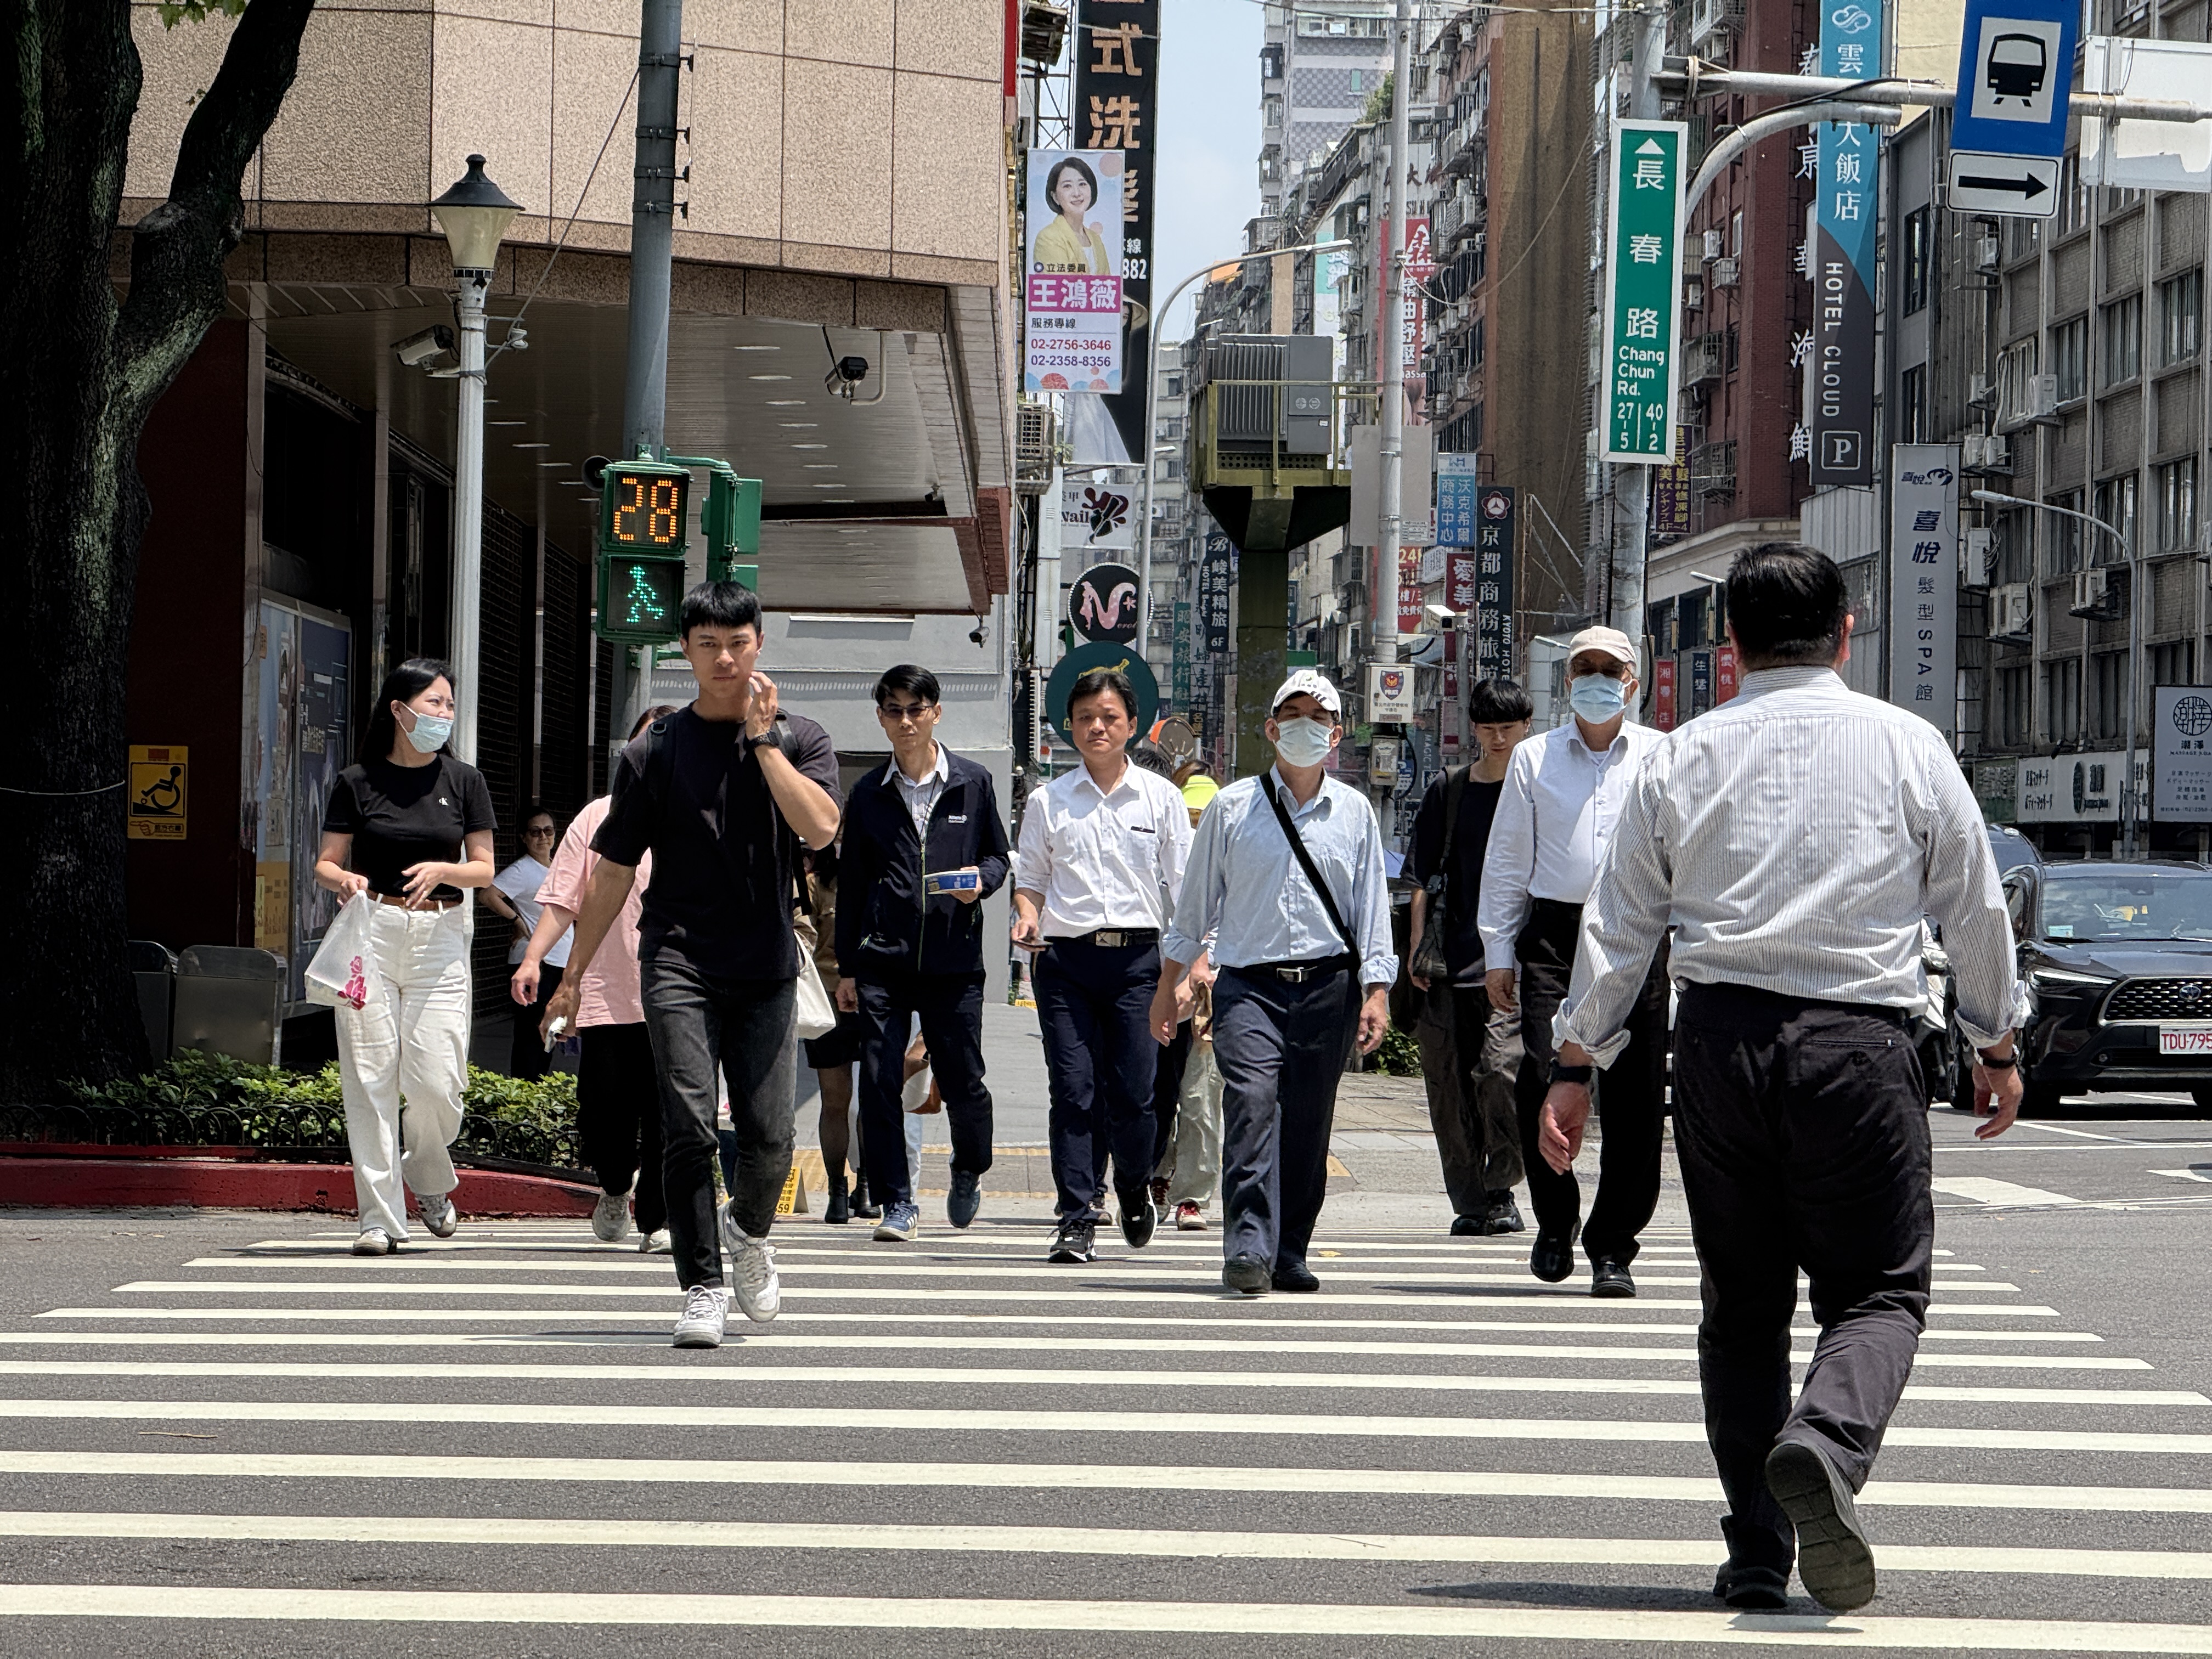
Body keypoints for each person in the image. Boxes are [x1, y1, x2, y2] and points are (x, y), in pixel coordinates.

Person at [1538, 544, 2027, 1615]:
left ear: (1730, 648)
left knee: (1743, 1306)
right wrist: (1996, 1045)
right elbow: (1976, 909)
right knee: (1881, 1289)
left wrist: (1578, 1063)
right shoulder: (1908, 746)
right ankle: (1824, 1443)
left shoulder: (1679, 759)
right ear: (1845, 632)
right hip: (1862, 1047)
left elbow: (1619, 932)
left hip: (1715, 1047)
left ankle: (1756, 1547)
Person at [540, 582, 841, 1350]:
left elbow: (820, 827)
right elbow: (610, 871)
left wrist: (764, 741)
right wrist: (572, 977)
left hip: (767, 965)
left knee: (771, 1136)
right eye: (707, 644)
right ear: (686, 652)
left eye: (737, 643)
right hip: (676, 961)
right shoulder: (655, 751)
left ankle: (750, 1232)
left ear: (759, 645)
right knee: (687, 1127)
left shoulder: (800, 738)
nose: (724, 658)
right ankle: (702, 1284)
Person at [1153, 670, 1394, 1295]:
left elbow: (1371, 908)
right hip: (1249, 988)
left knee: (1310, 1121)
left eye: (1318, 716)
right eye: (1292, 714)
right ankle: (1249, 1248)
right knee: (1252, 1104)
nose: (1304, 726)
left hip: (1329, 988)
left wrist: (1377, 990)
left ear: (1336, 734)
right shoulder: (1233, 808)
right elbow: (1195, 906)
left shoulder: (1356, 814)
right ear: (1270, 728)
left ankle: (1290, 1249)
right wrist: (1169, 984)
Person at [1477, 624, 1667, 1299]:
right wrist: (1499, 950)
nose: (1597, 679)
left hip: (1637, 933)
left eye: (1610, 670)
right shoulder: (1534, 759)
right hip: (1554, 937)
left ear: (1633, 683)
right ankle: (1555, 1220)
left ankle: (1613, 1245)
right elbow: (1507, 862)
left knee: (1637, 1100)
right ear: (1566, 681)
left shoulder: (1661, 755)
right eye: (1584, 668)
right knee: (1542, 1072)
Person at [313, 658, 496, 1256]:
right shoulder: (357, 781)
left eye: (448, 705)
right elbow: (326, 860)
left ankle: (428, 1174)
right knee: (370, 1078)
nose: (444, 715)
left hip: (442, 938)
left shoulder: (464, 781)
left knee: (438, 1081)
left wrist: (447, 870)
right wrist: (343, 880)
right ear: (399, 710)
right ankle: (379, 1217)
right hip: (372, 931)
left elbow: (485, 867)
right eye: (434, 704)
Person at [1015, 670, 1193, 1264]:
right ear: (1069, 726)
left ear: (1131, 726)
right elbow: (1032, 880)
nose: (1097, 726)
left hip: (1141, 964)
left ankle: (1134, 1185)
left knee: (1136, 1094)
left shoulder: (1161, 798)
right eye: (1086, 716)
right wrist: (1025, 915)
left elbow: (1187, 889)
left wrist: (1194, 968)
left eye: (1110, 717)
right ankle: (1076, 1213)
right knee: (1073, 1090)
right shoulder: (1049, 800)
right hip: (1065, 964)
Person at [835, 664, 1010, 1244]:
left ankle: (969, 1166)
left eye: (916, 709)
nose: (905, 721)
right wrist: (848, 967)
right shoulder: (867, 795)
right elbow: (852, 886)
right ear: (881, 717)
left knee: (964, 1082)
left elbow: (999, 859)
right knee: (880, 1081)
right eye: (893, 710)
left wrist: (980, 881)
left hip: (953, 963)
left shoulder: (973, 782)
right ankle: (898, 1202)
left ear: (936, 712)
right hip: (883, 960)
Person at [514, 708, 680, 1252]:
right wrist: (535, 960)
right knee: (604, 1106)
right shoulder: (598, 819)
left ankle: (656, 1218)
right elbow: (563, 902)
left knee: (665, 1113)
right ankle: (614, 1186)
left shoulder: (694, 817)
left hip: (676, 994)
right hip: (605, 990)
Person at [1408, 679, 1532, 1238]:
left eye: (1508, 727)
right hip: (1449, 964)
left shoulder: (1538, 792)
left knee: (1502, 1073)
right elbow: (1421, 878)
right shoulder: (1450, 789)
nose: (1498, 738)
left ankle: (1502, 1187)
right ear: (1475, 728)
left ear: (1527, 726)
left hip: (1517, 967)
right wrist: (1416, 952)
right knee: (1449, 1084)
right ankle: (1471, 1201)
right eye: (1488, 727)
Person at [798, 840, 866, 1224]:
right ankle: (840, 1191)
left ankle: (864, 1187)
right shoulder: (814, 884)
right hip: (828, 997)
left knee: (869, 1096)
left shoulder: (879, 879)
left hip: (872, 994)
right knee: (835, 1098)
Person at [488, 806, 568, 1080]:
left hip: (560, 960)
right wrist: (517, 921)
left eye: (548, 831)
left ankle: (539, 1091)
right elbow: (489, 895)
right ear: (524, 837)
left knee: (551, 1031)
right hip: (535, 962)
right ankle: (524, 1093)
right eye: (535, 832)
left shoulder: (558, 866)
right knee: (530, 1035)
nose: (542, 837)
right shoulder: (522, 869)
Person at [1032, 155, 1112, 274]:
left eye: (1082, 184)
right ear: (1055, 197)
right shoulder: (1048, 238)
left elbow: (1108, 285)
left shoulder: (1096, 240)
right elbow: (1061, 286)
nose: (1077, 193)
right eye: (1067, 186)